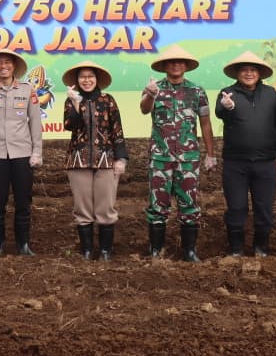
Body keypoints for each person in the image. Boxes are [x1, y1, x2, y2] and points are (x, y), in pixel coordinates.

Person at [140, 44, 217, 262]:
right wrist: (150, 94)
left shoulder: (197, 91)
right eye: (171, 62)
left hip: (188, 159)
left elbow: (205, 123)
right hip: (160, 159)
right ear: (165, 66)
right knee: (157, 206)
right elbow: (144, 109)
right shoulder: (155, 88)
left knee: (189, 206)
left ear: (186, 66)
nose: (176, 65)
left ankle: (189, 251)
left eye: (180, 62)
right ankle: (156, 250)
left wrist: (210, 154)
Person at [215, 50, 276, 258]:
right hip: (235, 163)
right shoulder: (227, 93)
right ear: (237, 73)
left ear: (259, 73)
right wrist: (226, 107)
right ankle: (236, 249)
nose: (249, 73)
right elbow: (219, 112)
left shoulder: (270, 94)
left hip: (265, 162)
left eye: (253, 70)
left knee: (264, 207)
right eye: (244, 70)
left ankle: (261, 248)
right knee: (237, 207)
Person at [0, 49, 43, 256]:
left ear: (14, 66)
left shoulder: (27, 89)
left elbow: (35, 123)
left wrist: (36, 151)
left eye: (7, 63)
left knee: (23, 201)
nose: (3, 66)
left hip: (22, 153)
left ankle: (23, 244)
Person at [62, 60, 129, 261]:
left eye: (90, 76)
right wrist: (74, 104)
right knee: (82, 208)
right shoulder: (71, 100)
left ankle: (106, 251)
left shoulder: (108, 100)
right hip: (78, 160)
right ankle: (87, 250)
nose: (87, 80)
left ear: (97, 79)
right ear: (77, 80)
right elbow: (70, 125)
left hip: (106, 160)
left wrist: (121, 158)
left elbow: (117, 130)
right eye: (82, 77)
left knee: (106, 207)